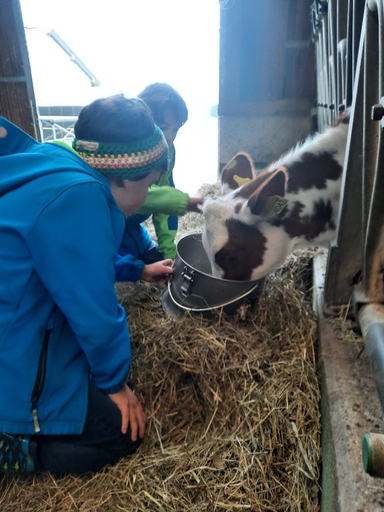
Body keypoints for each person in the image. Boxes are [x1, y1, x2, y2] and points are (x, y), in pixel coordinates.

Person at [0, 94, 173, 474]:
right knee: (121, 433)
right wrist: (114, 384)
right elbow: (95, 312)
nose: (147, 197)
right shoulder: (81, 198)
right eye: (148, 184)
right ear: (125, 175)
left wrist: (138, 271)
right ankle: (17, 448)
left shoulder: (62, 162)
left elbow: (72, 257)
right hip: (12, 350)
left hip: (21, 316)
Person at [119, 83, 204, 263]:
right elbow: (129, 197)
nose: (170, 136)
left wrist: (168, 252)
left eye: (175, 129)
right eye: (164, 127)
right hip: (107, 223)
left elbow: (164, 196)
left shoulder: (168, 151)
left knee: (153, 256)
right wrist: (184, 202)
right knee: (121, 265)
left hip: (131, 224)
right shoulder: (123, 152)